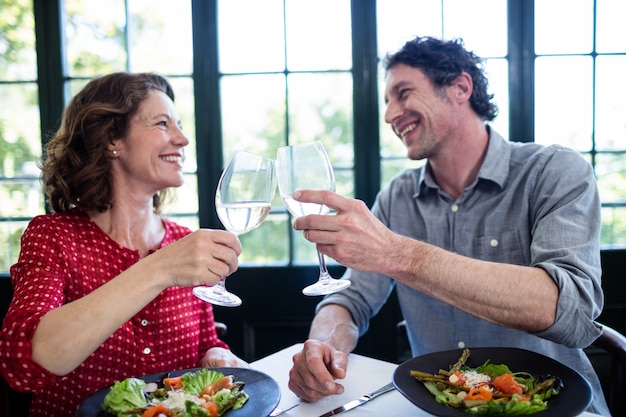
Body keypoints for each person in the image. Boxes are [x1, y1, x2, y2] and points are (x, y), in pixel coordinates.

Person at [286, 36, 610, 416]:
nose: (390, 115)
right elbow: (349, 299)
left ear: (460, 88)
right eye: (387, 102)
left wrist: (397, 254)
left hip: (553, 406)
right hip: (442, 408)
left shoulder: (555, 172)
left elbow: (568, 310)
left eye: (403, 93)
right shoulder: (397, 197)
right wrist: (323, 346)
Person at [0, 72, 247, 417]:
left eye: (179, 124)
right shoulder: (53, 237)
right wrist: (159, 268)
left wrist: (215, 356)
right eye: (163, 123)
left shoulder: (183, 242)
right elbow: (24, 363)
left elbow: (207, 343)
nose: (183, 139)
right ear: (112, 139)